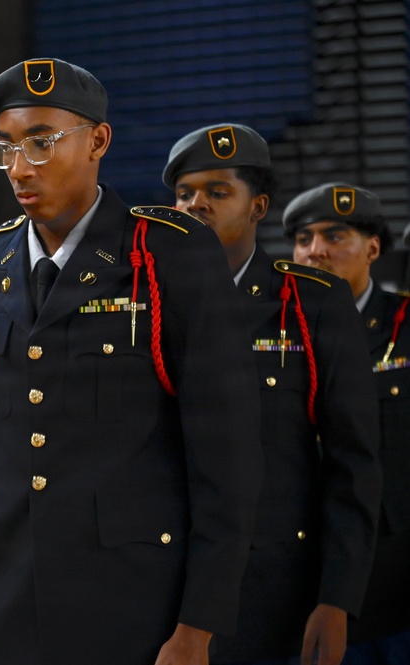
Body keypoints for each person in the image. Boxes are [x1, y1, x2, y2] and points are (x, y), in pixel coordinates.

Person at [0, 58, 264, 665]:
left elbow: (228, 456)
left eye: (41, 142)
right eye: (4, 148)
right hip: (2, 599)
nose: (20, 167)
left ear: (98, 141)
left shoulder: (169, 252)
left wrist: (200, 623)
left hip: (133, 601)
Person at [165, 128, 382, 665]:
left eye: (217, 192)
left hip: (270, 589)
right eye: (185, 194)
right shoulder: (141, 301)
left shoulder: (313, 303)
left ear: (258, 205)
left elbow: (352, 463)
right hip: (154, 582)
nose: (196, 205)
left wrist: (337, 600)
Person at [286, 183, 410, 664]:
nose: (315, 250)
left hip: (394, 580)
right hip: (301, 574)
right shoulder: (271, 335)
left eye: (334, 237)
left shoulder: (403, 326)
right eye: (304, 238)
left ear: (373, 249)